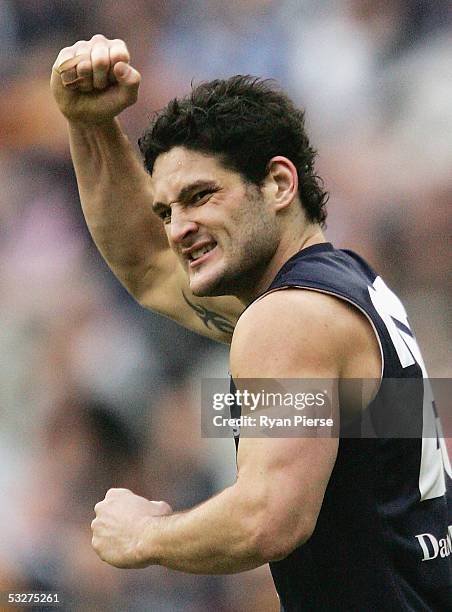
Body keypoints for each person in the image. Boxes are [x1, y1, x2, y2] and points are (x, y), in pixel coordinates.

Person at [51, 35, 451, 611]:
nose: (178, 227)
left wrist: (143, 534)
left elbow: (269, 518)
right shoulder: (347, 288)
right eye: (167, 210)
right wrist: (89, 125)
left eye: (200, 195)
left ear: (280, 184)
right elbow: (148, 266)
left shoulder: (287, 318)